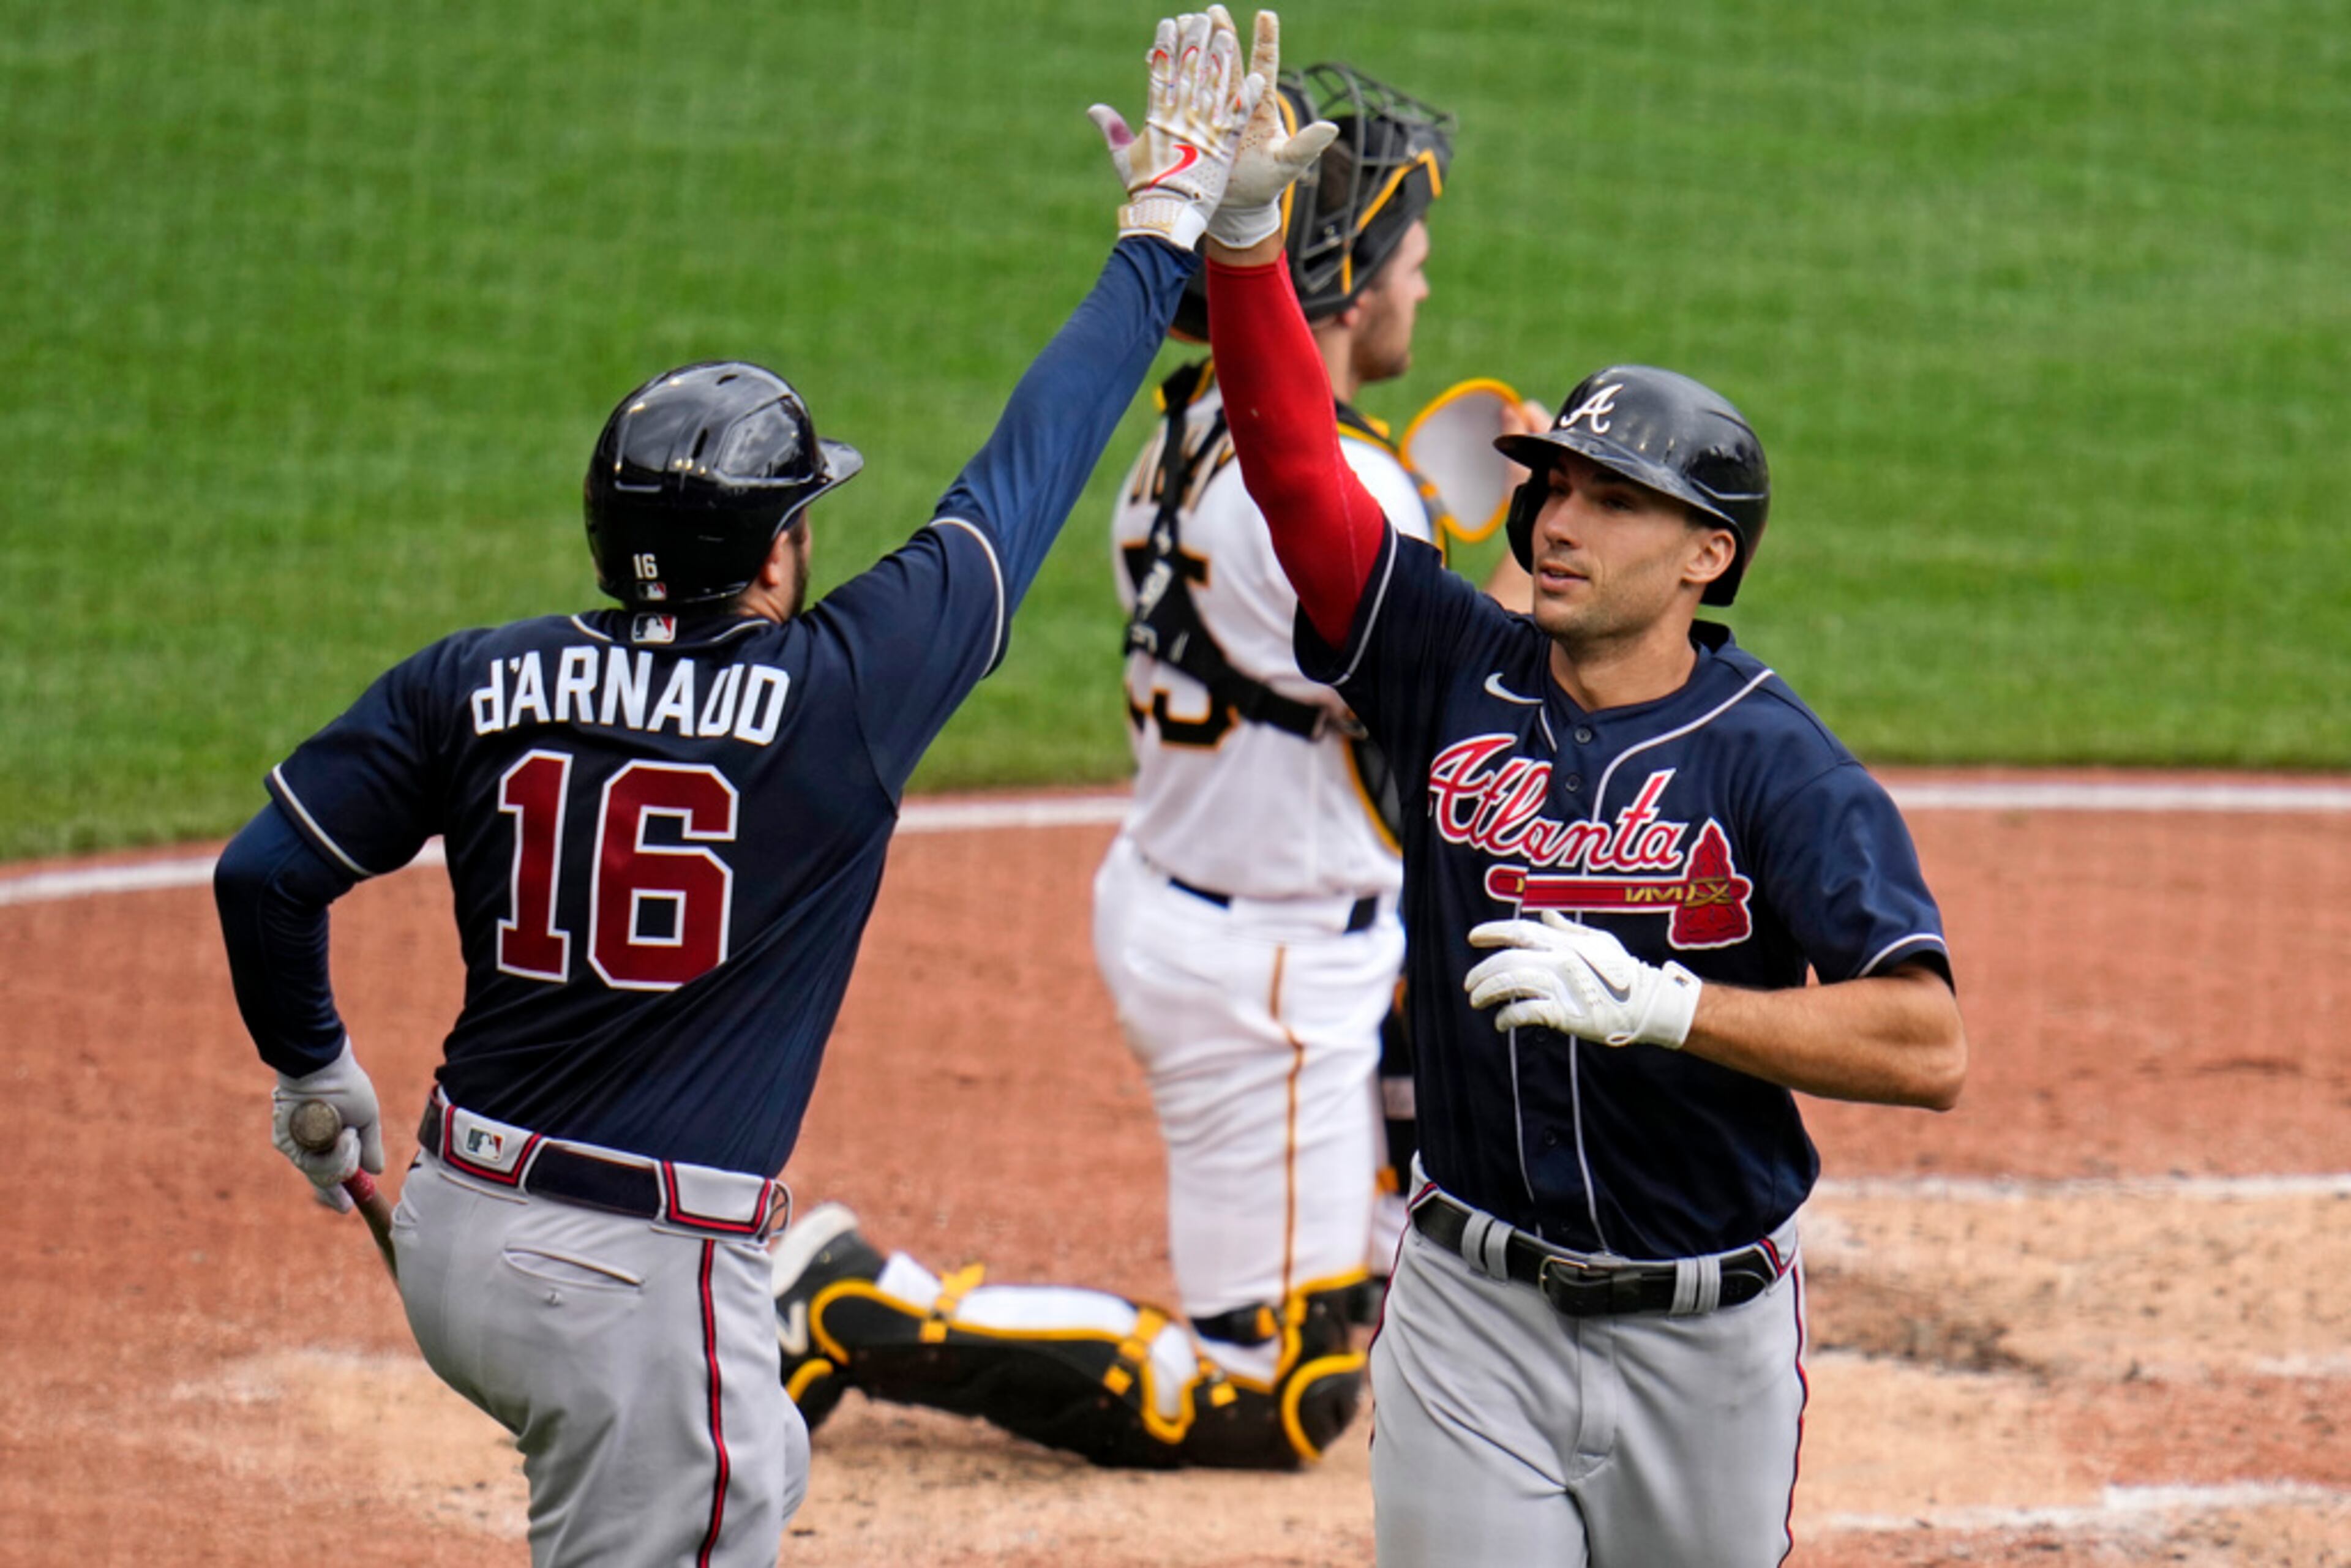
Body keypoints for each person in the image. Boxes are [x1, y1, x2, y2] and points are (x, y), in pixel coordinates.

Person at [210, 13, 1268, 1562]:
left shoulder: (472, 680)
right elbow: (1024, 473)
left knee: (753, 1474)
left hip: (452, 1234)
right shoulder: (836, 700)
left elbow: (263, 875)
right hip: (637, 1282)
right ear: (778, 551)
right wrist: (1162, 239)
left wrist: (314, 1074)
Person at [1190, 81, 1971, 1566]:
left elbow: (1927, 1046)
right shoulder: (1445, 664)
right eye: (1553, 487)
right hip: (1471, 1312)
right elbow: (1297, 474)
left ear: (1705, 555)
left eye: (1613, 503)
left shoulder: (1776, 768)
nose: (1556, 523)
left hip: (1708, 1341)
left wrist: (1676, 1011)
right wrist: (1244, 253)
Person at [766, 56, 1536, 1475]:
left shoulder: (1187, 434)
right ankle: (858, 1307)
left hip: (1213, 897)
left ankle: (1373, 1235)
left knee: (1432, 1199)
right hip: (1275, 971)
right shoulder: (1348, 489)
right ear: (1350, 285)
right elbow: (1449, 712)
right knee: (1285, 1394)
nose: (1423, 291)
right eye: (1412, 264)